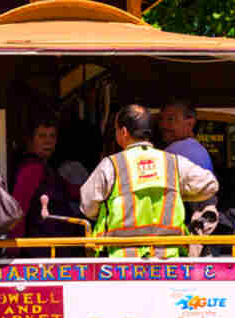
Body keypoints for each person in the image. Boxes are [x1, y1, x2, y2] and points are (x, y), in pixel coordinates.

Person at [79, 104, 219, 258]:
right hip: (168, 261)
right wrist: (176, 193)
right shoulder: (173, 162)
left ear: (123, 132)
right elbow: (210, 185)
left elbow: (87, 206)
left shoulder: (112, 165)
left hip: (122, 262)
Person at [10, 119, 82, 255]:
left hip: (55, 245)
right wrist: (14, 247)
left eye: (52, 136)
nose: (48, 141)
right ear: (31, 141)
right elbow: (19, 208)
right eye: (42, 136)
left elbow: (70, 190)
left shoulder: (47, 168)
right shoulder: (31, 168)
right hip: (40, 249)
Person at [159, 98, 219, 250]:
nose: (163, 125)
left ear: (190, 122)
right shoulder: (195, 148)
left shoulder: (181, 149)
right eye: (162, 120)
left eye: (171, 119)